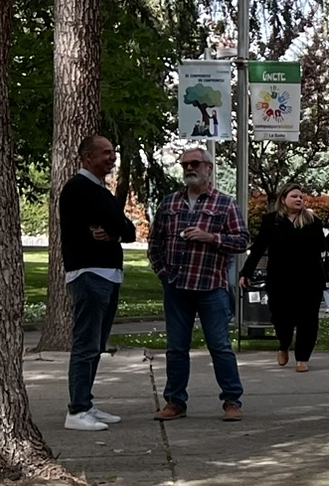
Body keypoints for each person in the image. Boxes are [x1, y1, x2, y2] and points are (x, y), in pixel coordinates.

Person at [148, 147, 249, 421]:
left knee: (220, 346)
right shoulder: (170, 203)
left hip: (211, 287)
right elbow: (155, 242)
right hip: (177, 287)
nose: (189, 169)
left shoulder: (225, 204)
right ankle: (175, 402)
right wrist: (163, 273)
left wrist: (211, 238)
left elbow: (242, 240)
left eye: (195, 163)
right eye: (185, 165)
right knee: (176, 348)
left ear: (209, 168)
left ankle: (232, 401)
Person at [59, 133, 136, 432]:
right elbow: (119, 224)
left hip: (107, 274)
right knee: (86, 344)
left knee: (96, 345)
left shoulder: (101, 190)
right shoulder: (79, 189)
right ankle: (77, 410)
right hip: (89, 274)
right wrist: (117, 228)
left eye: (113, 152)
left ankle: (86, 403)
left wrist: (115, 231)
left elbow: (128, 231)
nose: (112, 157)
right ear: (87, 157)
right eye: (105, 152)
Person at [239, 186, 329, 373]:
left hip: (310, 279)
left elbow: (322, 246)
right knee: (281, 318)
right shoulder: (271, 221)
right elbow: (258, 248)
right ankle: (284, 344)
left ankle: (302, 358)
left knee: (308, 320)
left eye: (301, 197)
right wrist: (246, 272)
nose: (299, 199)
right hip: (280, 279)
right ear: (283, 199)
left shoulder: (312, 220)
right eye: (294, 196)